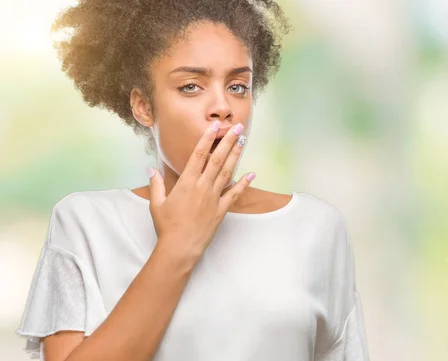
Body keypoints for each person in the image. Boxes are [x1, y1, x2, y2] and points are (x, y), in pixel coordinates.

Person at [15, 0, 370, 360]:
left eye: (237, 86)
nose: (222, 107)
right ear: (143, 106)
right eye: (190, 86)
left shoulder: (316, 227)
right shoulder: (85, 223)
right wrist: (177, 246)